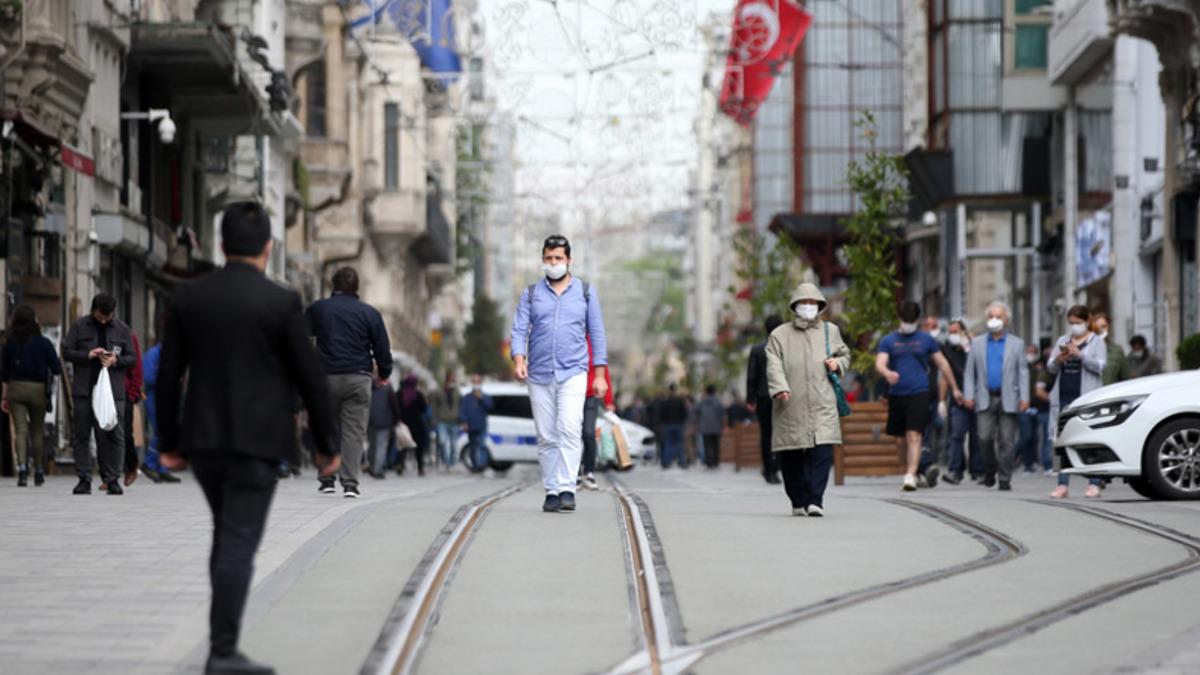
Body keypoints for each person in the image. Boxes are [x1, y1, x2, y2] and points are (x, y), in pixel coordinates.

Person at [156, 201, 339, 675]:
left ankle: (222, 645)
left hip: (204, 440)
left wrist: (169, 442)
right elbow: (311, 377)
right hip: (258, 441)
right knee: (238, 540)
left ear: (221, 245)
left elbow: (170, 373)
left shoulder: (189, 297)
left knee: (226, 534)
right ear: (268, 247)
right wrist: (327, 446)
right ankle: (222, 653)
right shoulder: (281, 301)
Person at [510, 234, 609, 513]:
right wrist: (519, 360)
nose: (553, 263)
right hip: (539, 373)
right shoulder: (531, 294)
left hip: (574, 371)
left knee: (569, 428)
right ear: (543, 260)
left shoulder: (586, 292)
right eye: (549, 258)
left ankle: (567, 488)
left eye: (558, 258)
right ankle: (552, 490)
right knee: (546, 435)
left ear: (568, 260)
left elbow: (597, 333)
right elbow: (519, 329)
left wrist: (599, 374)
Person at [306, 266, 392, 498]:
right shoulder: (370, 313)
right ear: (357, 287)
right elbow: (382, 348)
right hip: (358, 378)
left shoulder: (319, 309)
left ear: (333, 285)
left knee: (326, 427)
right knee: (354, 432)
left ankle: (327, 479)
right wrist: (384, 373)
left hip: (326, 377)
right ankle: (350, 483)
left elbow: (301, 337)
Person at [765, 283, 850, 516]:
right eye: (804, 302)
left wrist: (838, 363)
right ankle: (797, 500)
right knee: (790, 455)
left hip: (823, 401)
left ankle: (815, 500)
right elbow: (773, 365)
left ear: (820, 305)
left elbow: (844, 355)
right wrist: (780, 387)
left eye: (813, 303)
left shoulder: (831, 331)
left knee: (822, 451)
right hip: (790, 403)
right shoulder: (779, 335)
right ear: (795, 306)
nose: (809, 306)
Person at [876, 300, 963, 492]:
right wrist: (887, 373)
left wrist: (955, 388)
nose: (908, 323)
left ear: (917, 320)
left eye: (912, 320)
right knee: (900, 439)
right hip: (897, 394)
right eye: (906, 319)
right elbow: (880, 362)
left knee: (914, 435)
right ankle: (912, 470)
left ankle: (910, 474)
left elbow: (943, 364)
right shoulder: (889, 340)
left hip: (919, 392)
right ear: (900, 318)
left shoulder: (926, 340)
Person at [63, 293, 137, 495]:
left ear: (113, 313)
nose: (103, 320)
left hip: (113, 391)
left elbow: (132, 357)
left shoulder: (122, 329)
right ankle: (84, 478)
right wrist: (87, 355)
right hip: (84, 389)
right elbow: (66, 351)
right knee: (82, 434)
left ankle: (113, 479)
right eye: (99, 317)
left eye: (107, 317)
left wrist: (116, 360)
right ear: (93, 310)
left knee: (114, 434)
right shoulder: (80, 326)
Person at [962, 302, 1029, 491]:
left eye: (998, 317)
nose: (994, 320)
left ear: (1007, 320)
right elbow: (970, 372)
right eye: (991, 316)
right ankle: (990, 469)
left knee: (1007, 440)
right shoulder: (977, 343)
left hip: (1009, 397)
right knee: (984, 438)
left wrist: (1024, 397)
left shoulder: (1017, 344)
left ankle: (1005, 478)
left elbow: (1023, 372)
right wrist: (968, 394)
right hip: (984, 397)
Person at [1047, 305, 1107, 499]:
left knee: (1091, 440)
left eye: (1078, 322)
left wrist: (1080, 355)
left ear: (1087, 321)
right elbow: (1050, 367)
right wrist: (1059, 359)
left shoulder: (1096, 341)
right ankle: (1062, 484)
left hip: (1087, 398)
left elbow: (1100, 366)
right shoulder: (1062, 340)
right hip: (1063, 397)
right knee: (1061, 441)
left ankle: (1094, 483)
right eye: (1071, 323)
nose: (1075, 326)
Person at [1, 305, 62, 487]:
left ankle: (22, 469)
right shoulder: (44, 343)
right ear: (34, 321)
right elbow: (56, 368)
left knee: (20, 431)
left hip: (15, 389)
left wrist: (4, 397)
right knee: (37, 431)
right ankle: (39, 471)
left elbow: (4, 374)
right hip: (38, 390)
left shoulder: (9, 343)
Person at [940, 319, 981, 484]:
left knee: (977, 437)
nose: (953, 335)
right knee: (956, 434)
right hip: (959, 399)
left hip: (978, 399)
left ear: (964, 332)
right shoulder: (948, 350)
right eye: (950, 332)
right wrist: (942, 400)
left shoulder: (977, 347)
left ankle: (977, 470)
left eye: (955, 331)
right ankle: (955, 471)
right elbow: (945, 376)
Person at [746, 315, 784, 484]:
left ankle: (768, 469)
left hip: (763, 397)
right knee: (781, 433)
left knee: (766, 434)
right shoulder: (785, 348)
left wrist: (750, 398)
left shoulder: (757, 349)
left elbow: (751, 376)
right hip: (782, 395)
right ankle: (776, 466)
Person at [141, 336, 182, 483]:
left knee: (165, 431)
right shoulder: (153, 353)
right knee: (160, 430)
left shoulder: (167, 354)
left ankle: (161, 468)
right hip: (155, 397)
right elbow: (149, 378)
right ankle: (149, 463)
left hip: (166, 397)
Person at [579, 338, 613, 489]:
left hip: (591, 395)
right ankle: (573, 473)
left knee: (588, 433)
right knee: (572, 433)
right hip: (572, 394)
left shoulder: (594, 341)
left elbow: (604, 372)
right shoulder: (570, 337)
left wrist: (609, 401)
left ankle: (589, 472)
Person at [366, 374, 400, 478]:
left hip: (371, 420)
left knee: (372, 445)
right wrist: (397, 418)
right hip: (385, 421)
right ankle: (377, 470)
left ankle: (372, 466)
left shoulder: (369, 386)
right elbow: (394, 404)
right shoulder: (388, 387)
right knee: (381, 445)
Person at [459, 374, 493, 473]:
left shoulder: (485, 396)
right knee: (473, 448)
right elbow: (463, 411)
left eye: (477, 382)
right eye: (474, 382)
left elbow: (490, 407)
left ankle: (481, 466)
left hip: (481, 426)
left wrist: (481, 398)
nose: (476, 384)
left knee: (482, 445)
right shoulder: (467, 398)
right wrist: (464, 422)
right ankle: (475, 466)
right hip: (471, 427)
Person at [397, 375, 429, 476]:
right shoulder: (418, 394)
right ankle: (420, 468)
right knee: (419, 448)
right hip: (417, 424)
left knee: (403, 446)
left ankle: (400, 464)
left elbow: (395, 407)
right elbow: (424, 408)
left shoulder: (400, 394)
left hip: (404, 424)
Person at [430, 371, 462, 469]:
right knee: (442, 442)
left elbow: (461, 405)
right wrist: (434, 419)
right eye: (451, 379)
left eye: (454, 379)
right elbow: (434, 405)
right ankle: (446, 461)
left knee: (454, 444)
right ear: (447, 380)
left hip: (455, 421)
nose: (453, 381)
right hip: (442, 421)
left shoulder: (457, 391)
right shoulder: (440, 391)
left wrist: (462, 419)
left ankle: (451, 463)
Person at [658, 385, 689, 468]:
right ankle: (682, 462)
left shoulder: (666, 401)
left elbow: (661, 414)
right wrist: (682, 422)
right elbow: (684, 413)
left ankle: (667, 462)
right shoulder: (679, 401)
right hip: (678, 424)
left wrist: (663, 423)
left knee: (668, 443)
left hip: (668, 425)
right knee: (680, 444)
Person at [695, 384, 725, 469]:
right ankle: (716, 462)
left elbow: (696, 411)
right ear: (714, 391)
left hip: (705, 427)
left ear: (706, 392)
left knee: (707, 445)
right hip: (716, 427)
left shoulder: (702, 402)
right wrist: (723, 426)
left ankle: (709, 463)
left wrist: (698, 423)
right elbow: (722, 415)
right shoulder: (718, 402)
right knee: (716, 445)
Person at [1092, 312, 1125, 386]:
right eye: (1097, 327)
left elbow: (1125, 379)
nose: (1100, 330)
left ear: (1109, 327)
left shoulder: (1117, 350)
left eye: (1103, 326)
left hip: (1111, 392)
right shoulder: (1086, 349)